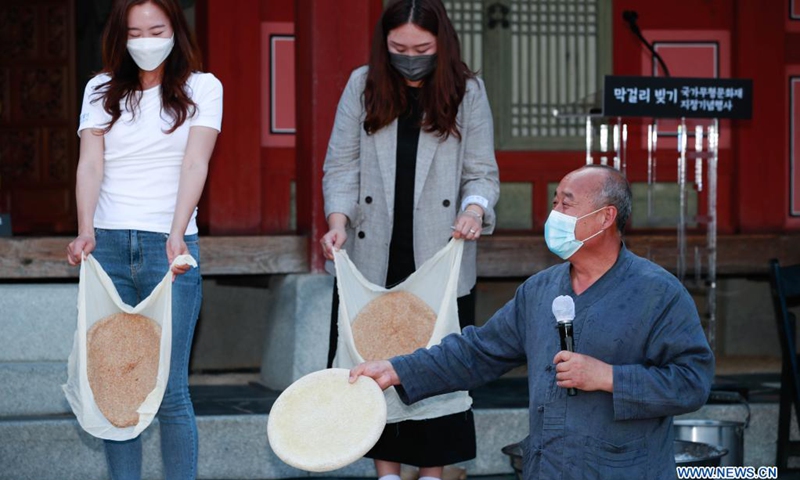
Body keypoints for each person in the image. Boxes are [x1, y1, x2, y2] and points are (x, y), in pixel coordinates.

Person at [350, 165, 715, 480]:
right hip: (548, 466)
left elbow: (692, 381)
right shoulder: (540, 291)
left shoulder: (658, 293)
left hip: (624, 468)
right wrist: (397, 369)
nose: (553, 212)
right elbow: (477, 352)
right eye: (554, 202)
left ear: (605, 218)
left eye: (566, 203)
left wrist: (609, 378)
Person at [319, 0, 499, 478]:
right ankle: (386, 473)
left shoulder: (467, 91)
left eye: (422, 48)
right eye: (399, 48)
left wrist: (474, 210)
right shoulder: (363, 84)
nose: (410, 56)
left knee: (437, 365)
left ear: (442, 43)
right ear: (385, 45)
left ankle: (434, 473)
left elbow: (481, 172)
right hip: (371, 254)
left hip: (439, 258)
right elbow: (341, 164)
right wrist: (337, 221)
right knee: (371, 365)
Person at [66, 0, 222, 478]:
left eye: (157, 29)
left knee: (171, 390)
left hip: (168, 249)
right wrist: (85, 227)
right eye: (135, 32)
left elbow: (196, 163)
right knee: (116, 386)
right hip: (108, 248)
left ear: (176, 30)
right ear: (121, 36)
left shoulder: (203, 87)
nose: (146, 40)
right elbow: (91, 163)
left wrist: (177, 231)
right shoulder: (99, 88)